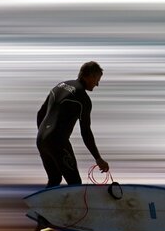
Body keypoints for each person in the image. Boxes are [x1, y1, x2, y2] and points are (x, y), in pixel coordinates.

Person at [36, 61, 110, 189]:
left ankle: (44, 207)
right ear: (90, 76)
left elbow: (40, 113)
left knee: (54, 179)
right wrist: (98, 158)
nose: (97, 84)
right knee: (75, 183)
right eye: (97, 80)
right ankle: (75, 209)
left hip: (41, 139)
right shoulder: (83, 99)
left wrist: (44, 136)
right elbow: (85, 132)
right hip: (58, 142)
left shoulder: (60, 86)